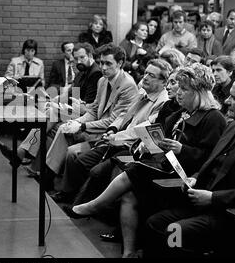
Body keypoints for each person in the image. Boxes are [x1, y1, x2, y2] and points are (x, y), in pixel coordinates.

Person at [68, 64, 226, 258]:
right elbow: (161, 137)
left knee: (135, 169)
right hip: (167, 168)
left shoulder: (213, 118)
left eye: (185, 89)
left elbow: (210, 159)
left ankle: (95, 205)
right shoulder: (180, 113)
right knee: (129, 195)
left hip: (187, 179)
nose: (178, 93)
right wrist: (150, 144)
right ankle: (128, 252)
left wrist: (182, 149)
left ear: (200, 92)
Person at [146, 75, 235, 257]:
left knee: (174, 231)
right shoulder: (232, 126)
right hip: (202, 201)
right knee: (155, 219)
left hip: (228, 212)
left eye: (234, 98)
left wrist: (213, 197)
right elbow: (211, 161)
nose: (226, 101)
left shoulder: (217, 119)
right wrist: (196, 176)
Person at [51, 59, 171, 203]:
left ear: (164, 82)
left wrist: (112, 135)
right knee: (71, 146)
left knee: (90, 166)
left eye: (151, 75)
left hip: (129, 146)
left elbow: (139, 131)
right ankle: (69, 194)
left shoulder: (162, 103)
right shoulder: (140, 91)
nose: (145, 77)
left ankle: (81, 202)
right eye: (145, 73)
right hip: (113, 136)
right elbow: (124, 114)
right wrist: (112, 128)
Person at [0, 43, 102, 170]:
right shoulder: (82, 71)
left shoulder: (95, 73)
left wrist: (60, 104)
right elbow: (71, 93)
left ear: (90, 55)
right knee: (48, 110)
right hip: (75, 107)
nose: (78, 61)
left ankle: (21, 153)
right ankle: (23, 154)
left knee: (50, 113)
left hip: (85, 113)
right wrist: (56, 100)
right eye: (76, 59)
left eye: (82, 57)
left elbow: (87, 102)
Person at [46, 44, 137, 176]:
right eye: (101, 63)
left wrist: (81, 126)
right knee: (64, 128)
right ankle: (49, 174)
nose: (103, 68)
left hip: (110, 135)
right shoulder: (102, 80)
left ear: (120, 63)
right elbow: (94, 110)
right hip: (96, 127)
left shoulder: (127, 85)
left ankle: (52, 179)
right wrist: (77, 122)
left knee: (71, 148)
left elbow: (113, 122)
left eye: (108, 63)